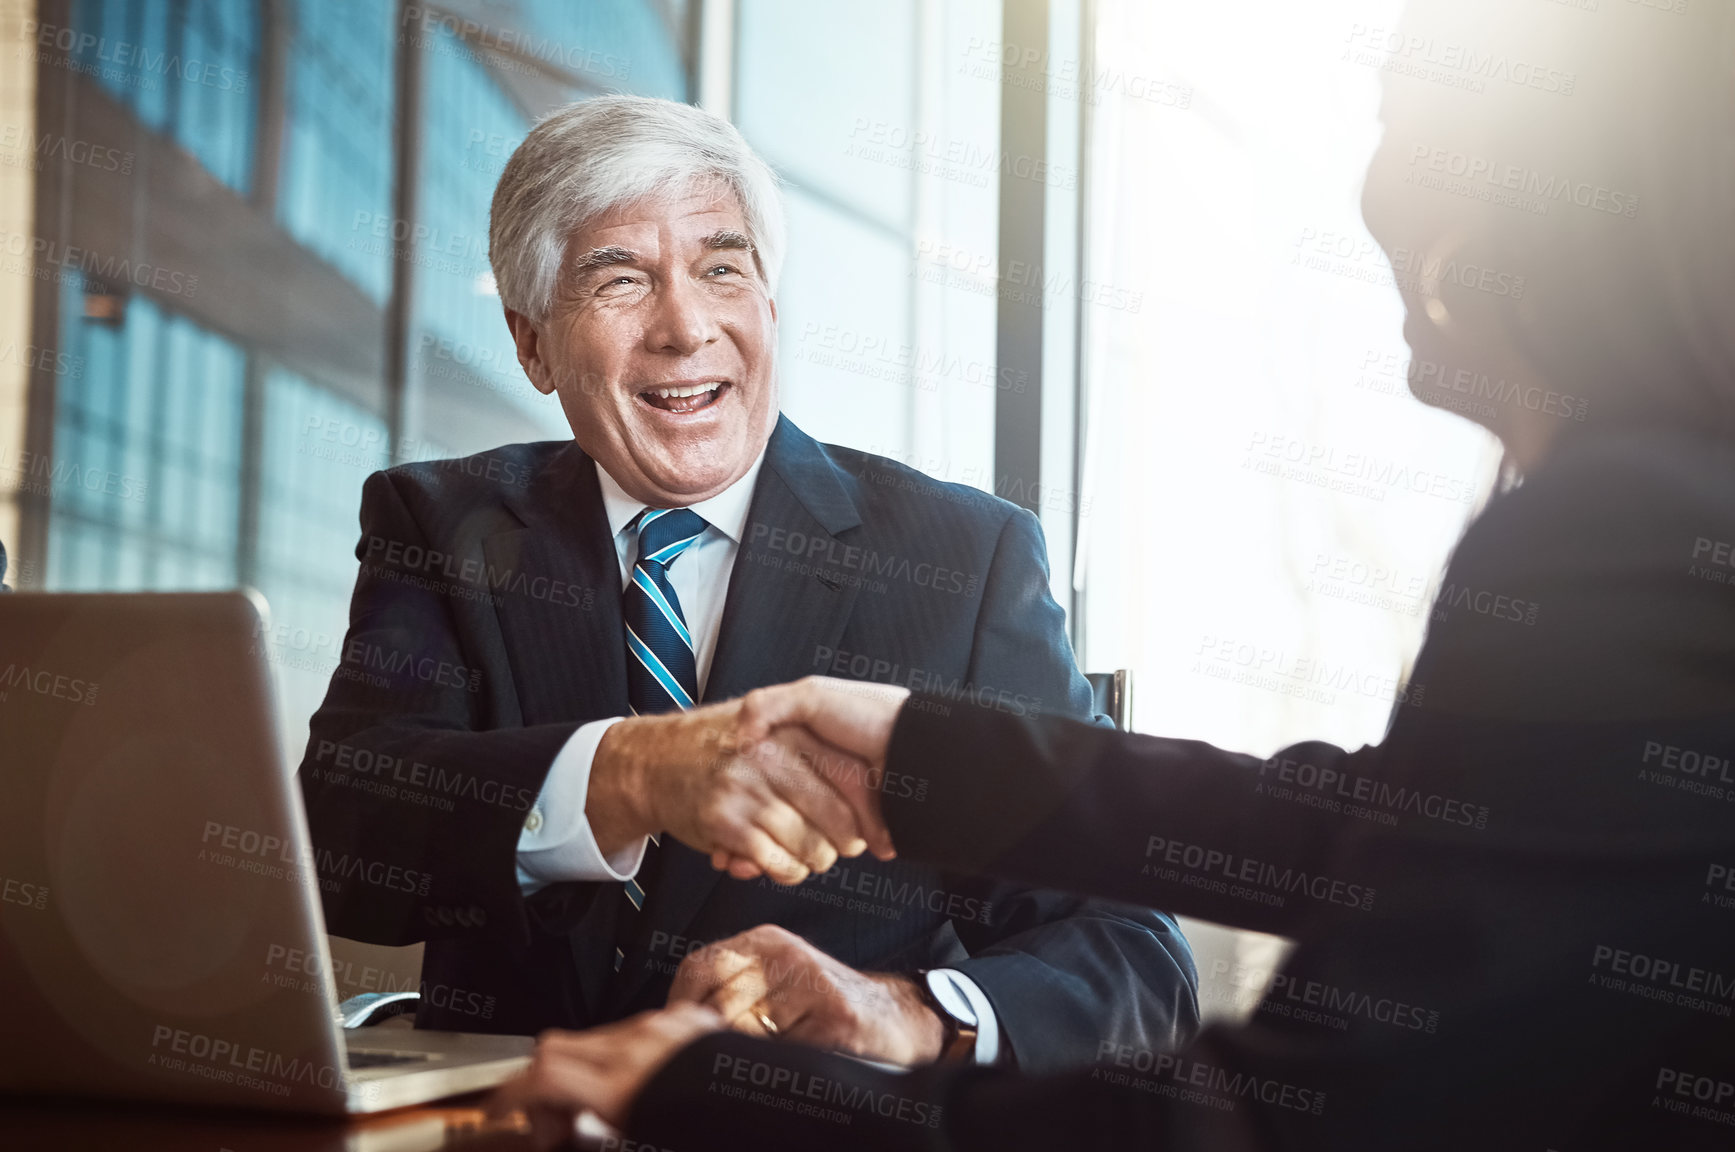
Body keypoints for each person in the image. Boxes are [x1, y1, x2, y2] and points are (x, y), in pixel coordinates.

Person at [487, 1, 1735, 1148]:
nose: (1370, 186)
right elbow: (1387, 825)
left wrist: (725, 1095)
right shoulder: (1661, 518)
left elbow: (1282, 1119)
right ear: (534, 339)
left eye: (1394, 122)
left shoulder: (1617, 536)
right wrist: (933, 757)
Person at [299, 95, 1196, 1071]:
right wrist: (627, 774)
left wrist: (911, 1012)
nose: (685, 329)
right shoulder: (438, 523)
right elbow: (340, 845)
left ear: (767, 304)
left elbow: (1132, 954)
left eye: (721, 269)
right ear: (532, 344)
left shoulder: (961, 564)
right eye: (621, 279)